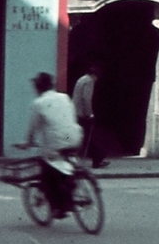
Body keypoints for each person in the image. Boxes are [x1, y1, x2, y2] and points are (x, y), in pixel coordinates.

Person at [25, 71, 83, 216]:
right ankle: (70, 186)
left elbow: (33, 127)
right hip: (75, 137)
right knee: (66, 163)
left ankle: (58, 207)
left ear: (38, 88)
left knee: (47, 172)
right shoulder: (64, 97)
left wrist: (29, 141)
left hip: (55, 143)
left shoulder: (38, 103)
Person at [72, 59, 107, 170]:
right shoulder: (89, 81)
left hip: (76, 112)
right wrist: (90, 113)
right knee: (90, 138)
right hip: (82, 114)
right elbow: (86, 98)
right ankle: (97, 160)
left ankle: (96, 159)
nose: (96, 80)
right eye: (96, 77)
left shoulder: (81, 79)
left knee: (84, 138)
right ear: (94, 75)